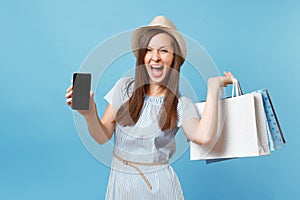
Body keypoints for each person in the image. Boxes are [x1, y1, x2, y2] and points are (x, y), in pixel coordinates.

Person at [65, 16, 234, 200]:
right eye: (148, 50)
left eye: (163, 51)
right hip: (121, 188)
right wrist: (89, 112)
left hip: (161, 189)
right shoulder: (124, 89)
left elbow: (204, 136)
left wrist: (213, 86)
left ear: (174, 59)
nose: (155, 57)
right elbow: (101, 136)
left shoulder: (181, 104)